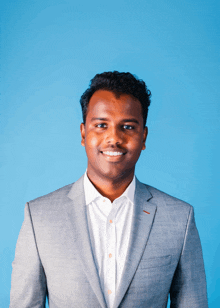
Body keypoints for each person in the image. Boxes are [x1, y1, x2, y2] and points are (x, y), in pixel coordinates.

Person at [10, 71, 208, 308]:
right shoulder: (39, 216)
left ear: (143, 136)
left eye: (127, 127)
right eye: (101, 125)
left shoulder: (179, 218)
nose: (113, 138)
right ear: (84, 133)